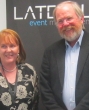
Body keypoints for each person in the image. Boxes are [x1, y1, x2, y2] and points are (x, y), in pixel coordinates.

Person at [40, 1, 89, 110]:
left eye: (69, 18)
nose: (65, 24)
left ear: (81, 19)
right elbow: (45, 89)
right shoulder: (50, 52)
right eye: (60, 21)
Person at [0, 29, 39, 110]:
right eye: (3, 46)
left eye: (12, 46)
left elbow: (35, 102)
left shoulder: (29, 71)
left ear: (19, 48)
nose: (8, 50)